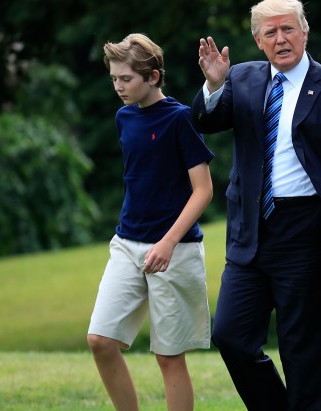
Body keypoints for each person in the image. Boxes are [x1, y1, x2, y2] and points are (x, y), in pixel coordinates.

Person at [192, 0, 321, 410]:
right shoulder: (242, 79)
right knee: (231, 335)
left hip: (309, 232)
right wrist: (216, 85)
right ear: (258, 41)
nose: (281, 39)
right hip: (250, 232)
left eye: (288, 28)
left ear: (305, 32)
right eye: (270, 32)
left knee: (305, 353)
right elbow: (205, 121)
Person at [87, 33, 215, 411]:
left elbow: (203, 191)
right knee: (100, 340)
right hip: (127, 244)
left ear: (154, 77)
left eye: (126, 79)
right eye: (114, 79)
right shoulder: (123, 118)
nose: (119, 87)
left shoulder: (180, 119)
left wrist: (168, 242)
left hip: (175, 249)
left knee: (169, 355)